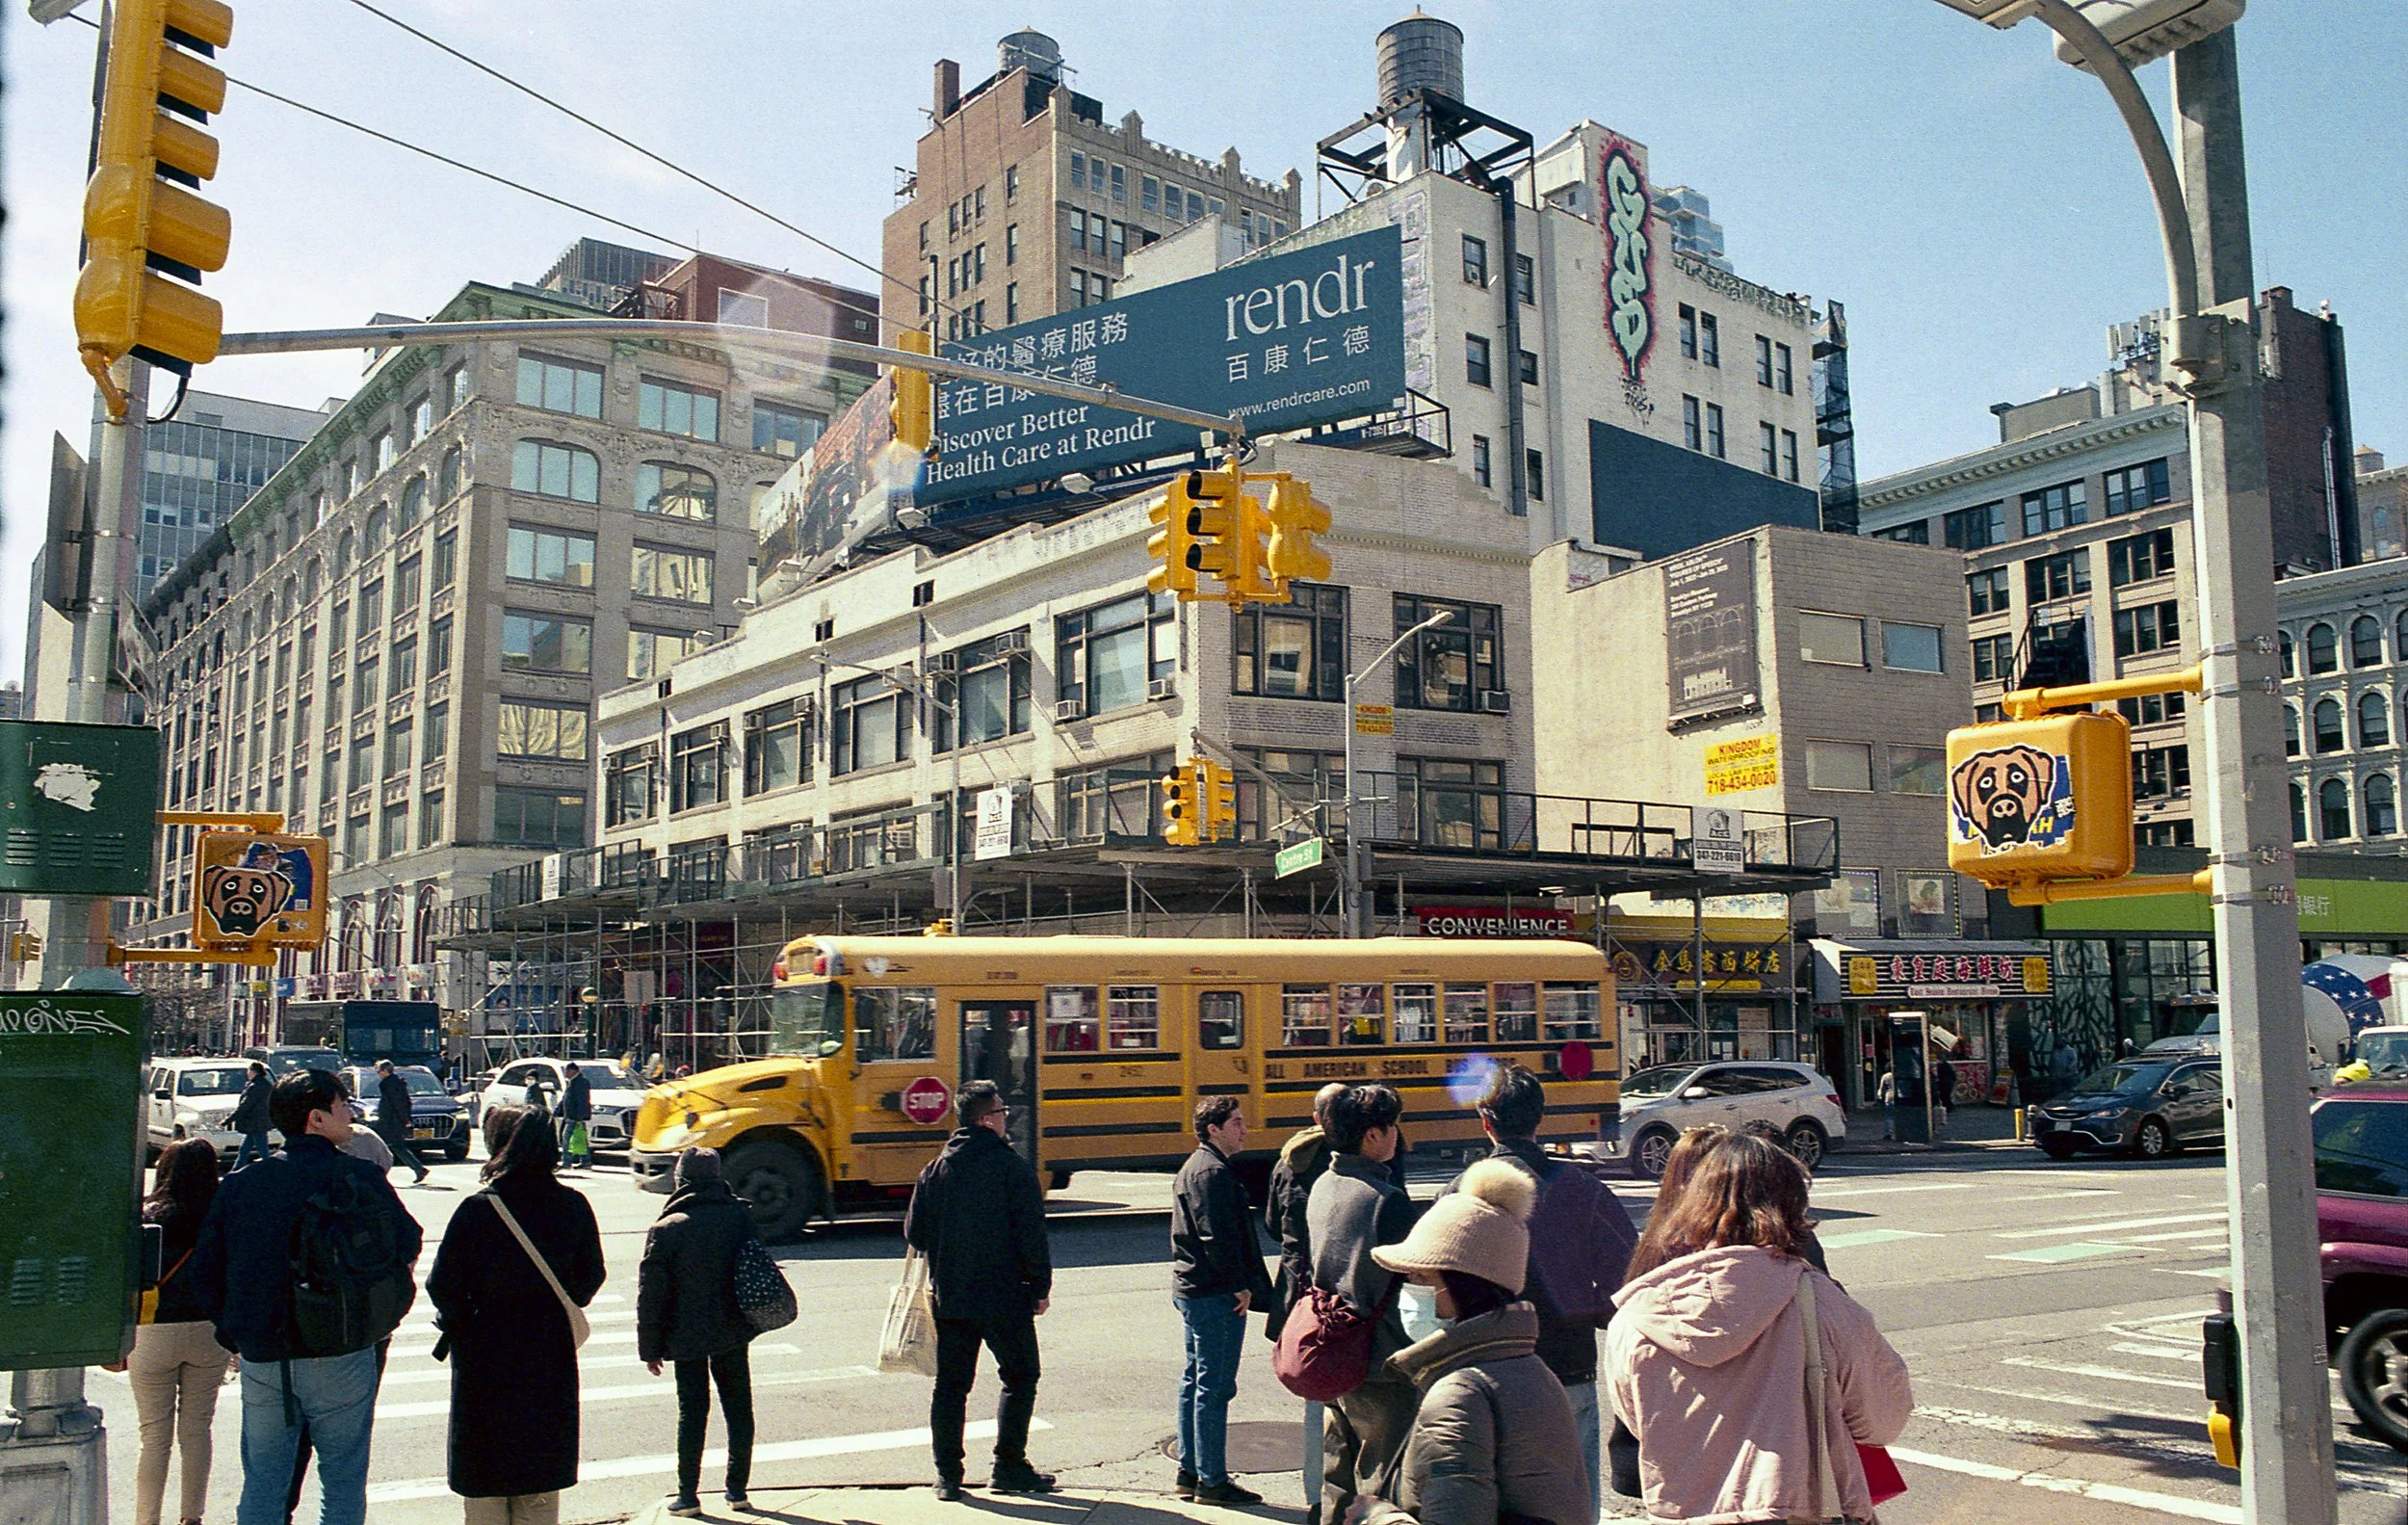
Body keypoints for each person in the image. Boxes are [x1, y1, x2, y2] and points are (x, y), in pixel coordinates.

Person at [1606, 1134, 1913, 1524]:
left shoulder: (1638, 1314)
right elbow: (1883, 1418)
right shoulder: (1820, 1300)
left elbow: (1637, 1421)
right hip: (1802, 1508)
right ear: (1792, 1207)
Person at [188, 1067, 422, 1525]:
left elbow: (206, 1271)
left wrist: (234, 1333)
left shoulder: (242, 1184)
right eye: (341, 1106)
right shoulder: (358, 1176)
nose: (350, 1114)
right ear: (316, 1117)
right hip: (344, 1347)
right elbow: (407, 1243)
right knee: (343, 1482)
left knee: (264, 1481)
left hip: (264, 1352)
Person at [1349, 1159, 1595, 1525]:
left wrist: (1375, 1516)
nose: (1408, 1289)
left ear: (1464, 1285)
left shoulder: (1460, 1392)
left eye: (1420, 1276)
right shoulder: (1529, 1368)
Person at [1436, 1065, 1635, 1512]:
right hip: (1568, 1362)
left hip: (1483, 1368)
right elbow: (1628, 1276)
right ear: (1539, 1118)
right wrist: (1585, 1309)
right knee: (1575, 1502)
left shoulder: (1461, 1191)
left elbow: (1431, 1282)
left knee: (1496, 1502)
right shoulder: (1583, 1188)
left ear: (1486, 1122)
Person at [427, 1105, 604, 1525]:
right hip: (547, 1359)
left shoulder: (478, 1210)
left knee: (486, 1489)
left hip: (484, 1361)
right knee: (538, 1488)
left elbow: (442, 1285)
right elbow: (589, 1279)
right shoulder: (573, 1205)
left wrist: (467, 1318)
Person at [903, 1079, 1055, 1500]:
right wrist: (1040, 1286)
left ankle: (947, 1475)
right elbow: (1031, 1235)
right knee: (1021, 1375)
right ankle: (1009, 1465)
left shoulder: (935, 1170)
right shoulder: (1011, 1168)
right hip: (1005, 1295)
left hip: (951, 1295)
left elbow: (916, 1235)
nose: (1007, 1118)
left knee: (952, 1385)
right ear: (987, 1120)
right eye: (1003, 1112)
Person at [1305, 1084, 1416, 1525]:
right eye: (1392, 1127)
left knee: (1337, 1475)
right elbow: (1413, 1279)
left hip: (1332, 1349)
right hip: (1380, 1360)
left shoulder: (1323, 1184)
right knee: (1381, 1481)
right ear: (1372, 1135)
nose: (1396, 1136)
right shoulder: (1384, 1200)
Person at [637, 1148, 762, 1516]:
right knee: (739, 1407)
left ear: (681, 1181)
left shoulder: (667, 1227)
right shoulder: (740, 1216)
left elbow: (652, 1296)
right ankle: (738, 1491)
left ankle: (688, 1495)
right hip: (733, 1330)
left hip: (685, 1335)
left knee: (692, 1410)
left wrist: (650, 1348)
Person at [1169, 1095, 1276, 1506]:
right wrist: (1239, 1286)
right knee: (1214, 1387)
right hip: (1214, 1294)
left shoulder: (1200, 1167)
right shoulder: (1212, 1172)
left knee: (1195, 1382)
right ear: (1214, 1129)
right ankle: (1212, 1481)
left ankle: (1190, 1470)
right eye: (1236, 1122)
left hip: (1195, 1290)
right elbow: (1217, 1236)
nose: (1244, 1129)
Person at [129, 1139, 233, 1525]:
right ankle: (192, 1517)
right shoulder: (221, 1213)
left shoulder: (147, 1214)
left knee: (153, 1438)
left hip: (152, 1332)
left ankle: (147, 1519)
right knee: (197, 1432)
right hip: (208, 1330)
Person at [375, 1060, 430, 1185]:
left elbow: (400, 1104)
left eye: (379, 1071)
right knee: (395, 1147)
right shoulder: (390, 1083)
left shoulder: (392, 1084)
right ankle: (418, 1169)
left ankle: (418, 1169)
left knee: (390, 1146)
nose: (378, 1074)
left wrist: (406, 1120)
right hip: (388, 1120)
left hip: (391, 1122)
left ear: (385, 1071)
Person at [229, 1061, 274, 1170]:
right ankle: (236, 1170)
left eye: (249, 1070)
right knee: (244, 1149)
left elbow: (245, 1105)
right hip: (258, 1122)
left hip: (255, 1122)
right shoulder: (265, 1084)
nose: (247, 1073)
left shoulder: (256, 1086)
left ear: (254, 1072)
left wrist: (230, 1119)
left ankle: (271, 1170)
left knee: (263, 1150)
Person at [557, 1063, 592, 1170]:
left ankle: (566, 1162)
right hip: (571, 1116)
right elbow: (566, 1098)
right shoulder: (572, 1082)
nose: (566, 1073)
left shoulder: (580, 1082)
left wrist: (579, 1117)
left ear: (574, 1071)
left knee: (567, 1139)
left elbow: (582, 1101)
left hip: (575, 1117)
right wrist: (559, 1111)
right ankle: (586, 1161)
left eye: (568, 1071)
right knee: (581, 1139)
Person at [1929, 1054, 1956, 1134]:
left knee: (1944, 1096)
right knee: (1946, 1096)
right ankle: (1949, 1107)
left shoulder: (1940, 1067)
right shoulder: (1947, 1066)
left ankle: (1948, 1107)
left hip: (1944, 1084)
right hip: (1948, 1083)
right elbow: (1953, 1075)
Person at [1876, 1065, 1898, 1142]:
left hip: (1889, 1097)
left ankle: (1889, 1134)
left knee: (1889, 1116)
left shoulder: (1886, 1076)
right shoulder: (1898, 1074)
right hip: (1898, 1096)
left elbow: (1881, 1088)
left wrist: (1879, 1097)